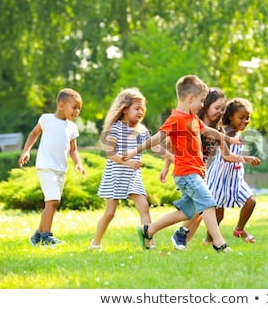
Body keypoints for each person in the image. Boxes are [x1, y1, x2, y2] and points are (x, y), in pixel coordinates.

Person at [124, 75, 240, 252]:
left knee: (188, 213)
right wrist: (133, 151)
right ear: (190, 98)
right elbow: (156, 139)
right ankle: (219, 242)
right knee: (208, 202)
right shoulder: (176, 119)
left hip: (196, 172)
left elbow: (207, 130)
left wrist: (227, 139)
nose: (202, 105)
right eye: (201, 101)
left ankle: (149, 230)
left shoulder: (193, 118)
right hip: (186, 173)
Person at [89, 87, 168, 251]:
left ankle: (149, 244)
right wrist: (128, 162)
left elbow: (154, 147)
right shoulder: (116, 128)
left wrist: (171, 156)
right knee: (110, 212)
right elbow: (109, 154)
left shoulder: (142, 130)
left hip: (133, 177)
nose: (140, 112)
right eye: (136, 109)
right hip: (116, 175)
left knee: (144, 207)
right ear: (125, 109)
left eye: (142, 109)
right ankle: (96, 243)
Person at [161, 87, 233, 249]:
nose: (220, 112)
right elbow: (172, 145)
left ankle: (180, 241)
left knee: (198, 212)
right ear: (205, 106)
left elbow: (226, 154)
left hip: (200, 172)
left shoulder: (217, 129)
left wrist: (242, 158)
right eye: (217, 108)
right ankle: (211, 242)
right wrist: (166, 167)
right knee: (203, 206)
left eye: (223, 109)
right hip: (186, 171)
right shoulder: (190, 123)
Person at [18, 88, 87, 246]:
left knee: (53, 202)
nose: (77, 111)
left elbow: (73, 149)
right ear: (61, 105)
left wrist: (78, 164)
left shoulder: (72, 128)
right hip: (46, 166)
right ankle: (46, 237)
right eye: (74, 107)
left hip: (60, 169)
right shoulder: (46, 119)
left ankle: (37, 235)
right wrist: (26, 150)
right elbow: (34, 133)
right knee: (53, 201)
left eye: (79, 109)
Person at [205, 98, 260, 244]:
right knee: (218, 215)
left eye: (248, 117)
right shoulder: (226, 133)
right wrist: (246, 158)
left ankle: (239, 230)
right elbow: (226, 157)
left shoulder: (237, 133)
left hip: (235, 177)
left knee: (251, 201)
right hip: (220, 177)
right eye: (241, 118)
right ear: (230, 117)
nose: (245, 121)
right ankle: (209, 240)